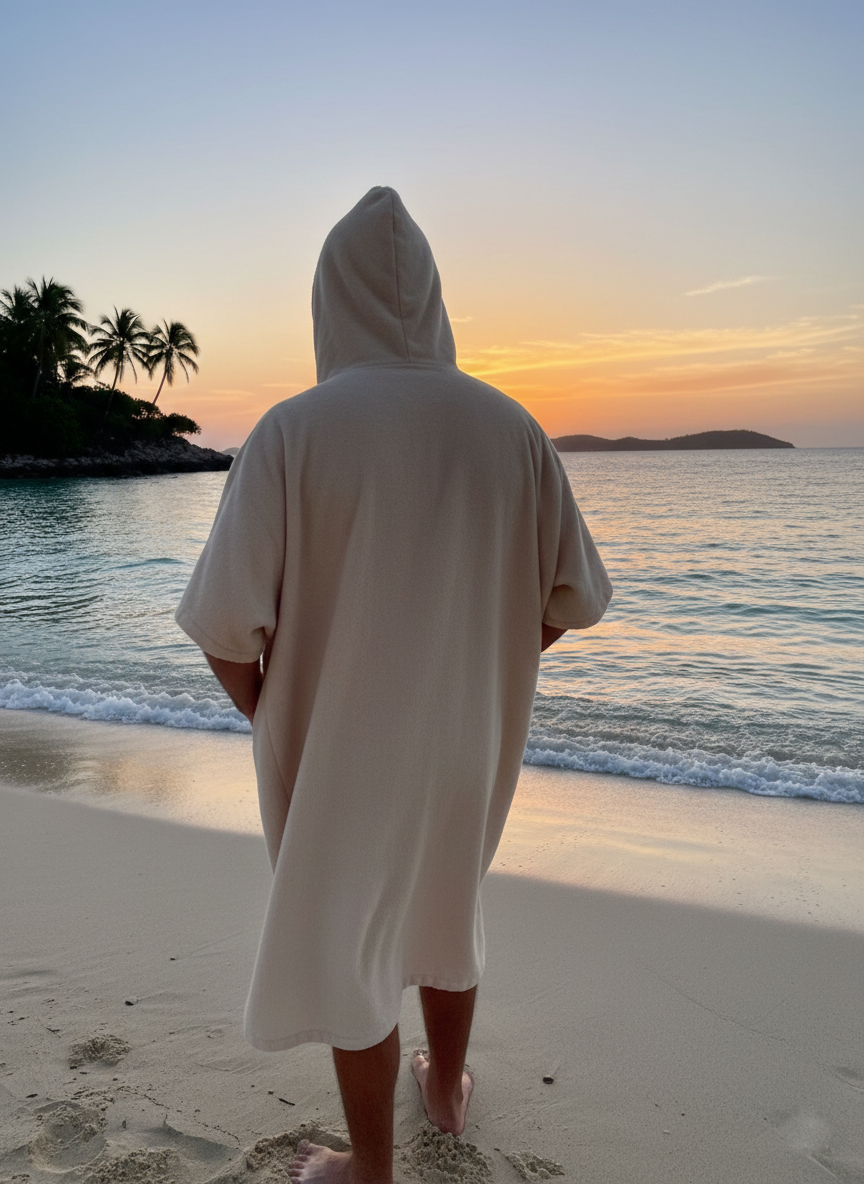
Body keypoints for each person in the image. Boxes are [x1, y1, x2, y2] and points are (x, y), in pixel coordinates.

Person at [176, 186, 612, 1184]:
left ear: (329, 300)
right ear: (435, 300)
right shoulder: (513, 427)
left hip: (339, 747)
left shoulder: (293, 431)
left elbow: (225, 626)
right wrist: (485, 663)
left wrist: (274, 710)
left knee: (350, 936)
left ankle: (369, 1168)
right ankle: (446, 1092)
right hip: (466, 740)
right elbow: (571, 597)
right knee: (449, 906)